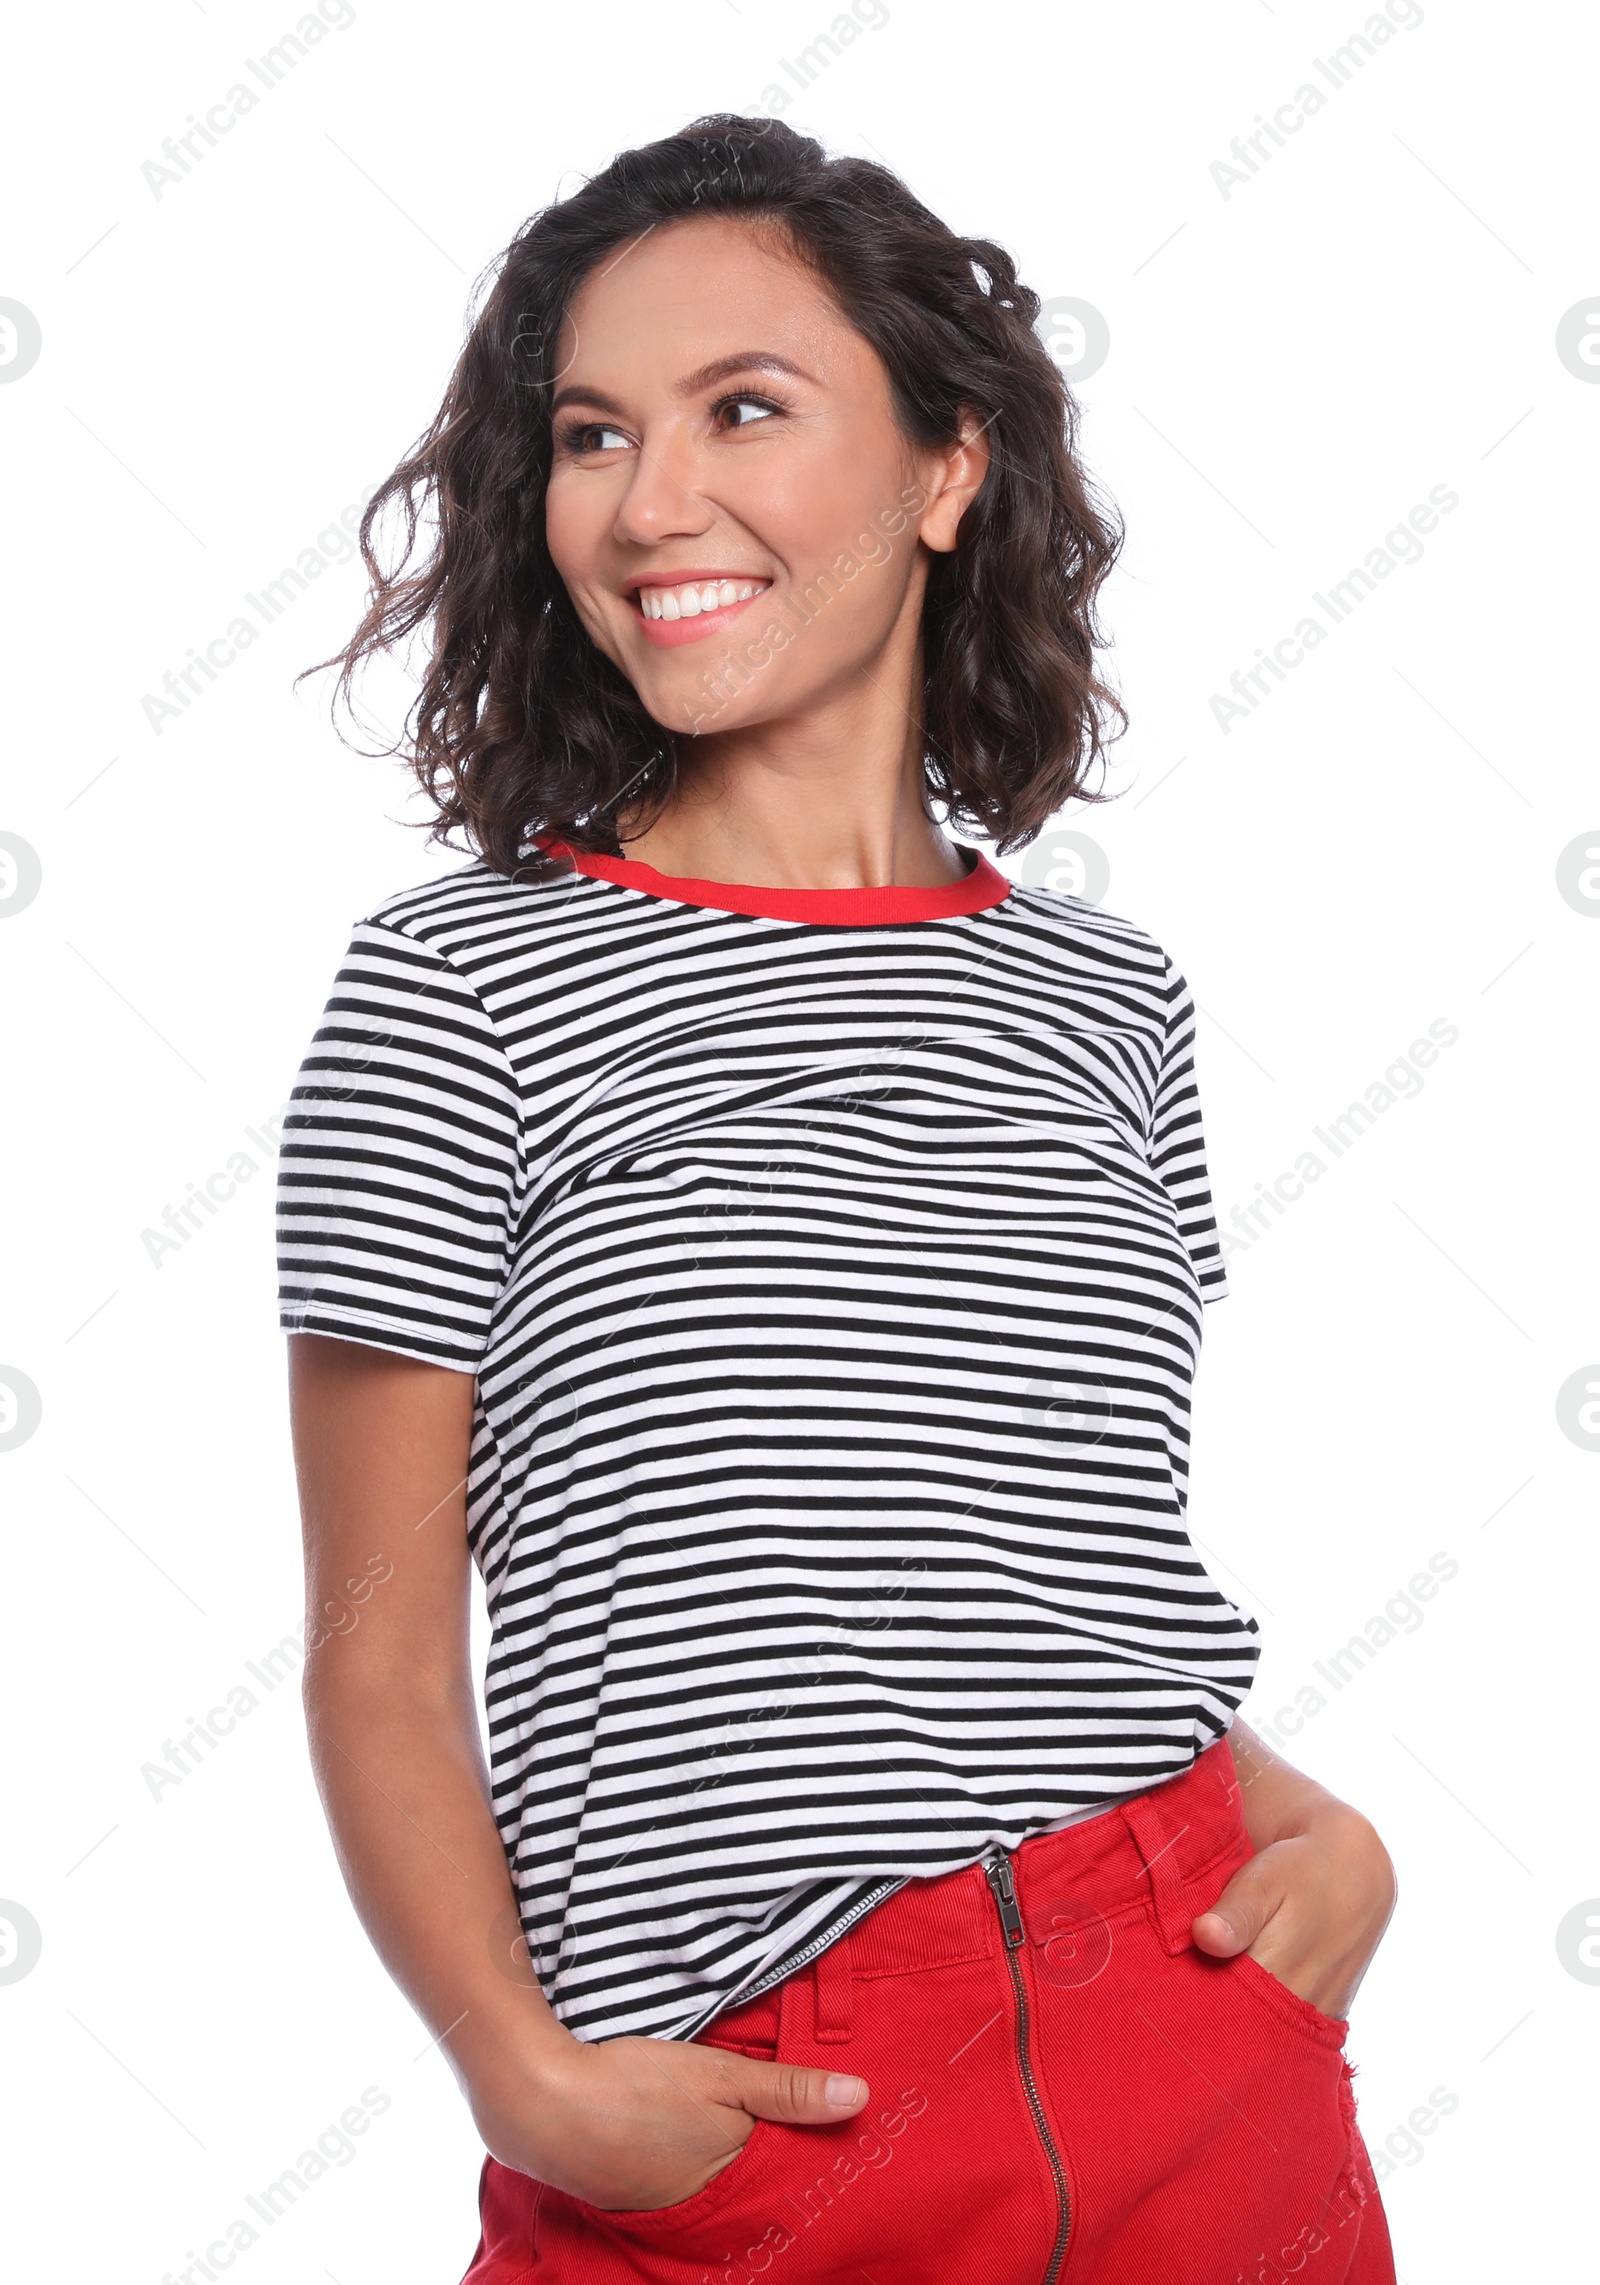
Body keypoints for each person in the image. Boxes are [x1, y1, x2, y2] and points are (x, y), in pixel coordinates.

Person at [278, 114, 1399, 2285]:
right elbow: (376, 1656)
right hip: (749, 2106)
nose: (647, 499)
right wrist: (516, 2066)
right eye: (590, 434)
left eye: (744, 411)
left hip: (1195, 2033)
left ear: (941, 469)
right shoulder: (458, 989)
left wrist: (1303, 1822)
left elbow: (1030, 1567)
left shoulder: (1107, 1000)